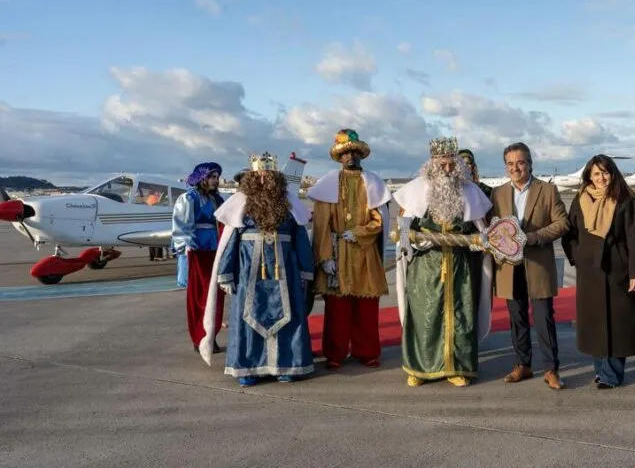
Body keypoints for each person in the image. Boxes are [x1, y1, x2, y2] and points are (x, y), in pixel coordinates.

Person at [198, 152, 315, 386]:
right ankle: (249, 367)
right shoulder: (240, 202)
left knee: (288, 316)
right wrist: (226, 272)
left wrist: (306, 268)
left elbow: (300, 235)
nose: (263, 178)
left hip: (285, 271)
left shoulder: (289, 202)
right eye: (258, 174)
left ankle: (287, 365)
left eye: (268, 174)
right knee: (248, 315)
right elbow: (231, 238)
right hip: (249, 270)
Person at [394, 136, 493, 387]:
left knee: (461, 316)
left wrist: (478, 241)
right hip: (425, 267)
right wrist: (413, 242)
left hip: (460, 266)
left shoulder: (469, 191)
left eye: (451, 165)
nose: (447, 170)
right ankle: (419, 368)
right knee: (424, 316)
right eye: (442, 165)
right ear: (432, 164)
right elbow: (404, 224)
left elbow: (482, 229)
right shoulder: (417, 188)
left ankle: (458, 368)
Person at [307, 129, 392, 369]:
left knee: (366, 307)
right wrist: (324, 256)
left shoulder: (373, 182)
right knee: (337, 309)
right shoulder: (327, 184)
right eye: (346, 153)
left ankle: (367, 351)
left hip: (364, 253)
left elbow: (380, 220)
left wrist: (359, 232)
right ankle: (335, 353)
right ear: (339, 157)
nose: (351, 157)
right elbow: (322, 223)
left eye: (355, 152)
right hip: (336, 253)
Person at [561, 155, 635, 389]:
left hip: (617, 268)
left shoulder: (626, 198)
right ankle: (600, 370)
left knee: (617, 324)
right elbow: (570, 233)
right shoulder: (580, 199)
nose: (601, 178)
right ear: (589, 175)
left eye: (605, 173)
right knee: (594, 323)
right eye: (596, 173)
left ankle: (611, 374)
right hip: (589, 271)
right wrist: (577, 256)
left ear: (613, 173)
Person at [491, 142, 568, 390]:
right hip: (509, 268)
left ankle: (550, 369)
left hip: (538, 264)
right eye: (511, 164)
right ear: (506, 167)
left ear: (530, 163)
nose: (516, 168)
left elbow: (562, 223)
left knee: (544, 318)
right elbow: (492, 226)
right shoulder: (498, 193)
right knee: (517, 319)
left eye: (520, 162)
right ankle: (522, 364)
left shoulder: (547, 190)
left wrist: (534, 237)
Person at [172, 162, 225, 353]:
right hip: (198, 252)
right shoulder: (188, 198)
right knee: (199, 296)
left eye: (217, 177)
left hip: (216, 250)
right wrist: (187, 249)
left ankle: (212, 334)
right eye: (212, 177)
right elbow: (181, 226)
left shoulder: (218, 198)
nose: (216, 181)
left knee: (217, 296)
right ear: (202, 178)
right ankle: (199, 337)